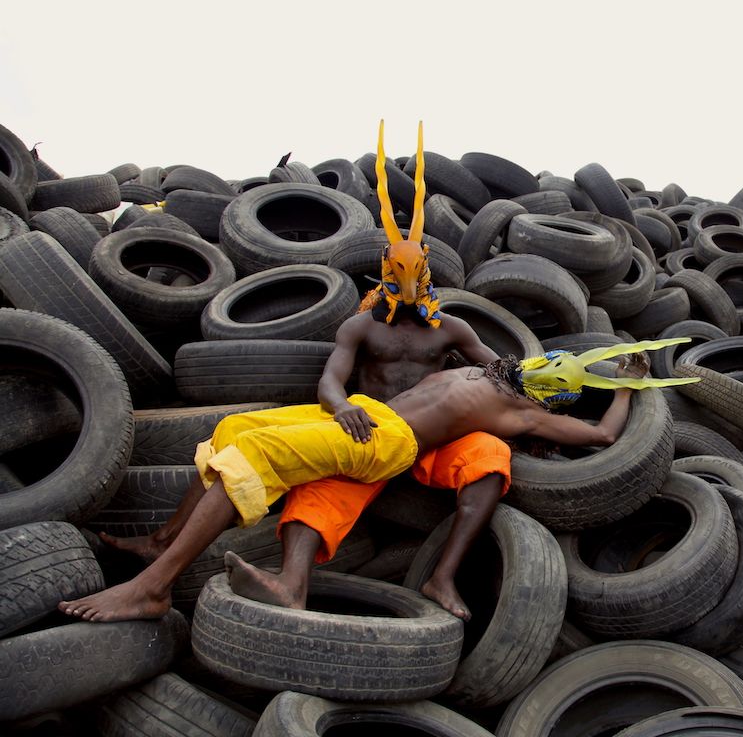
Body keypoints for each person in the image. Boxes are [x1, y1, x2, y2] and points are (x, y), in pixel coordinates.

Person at [97, 120, 508, 621]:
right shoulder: (362, 326)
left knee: (491, 455)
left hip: (429, 438)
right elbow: (332, 378)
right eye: (394, 272)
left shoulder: (451, 328)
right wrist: (338, 407)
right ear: (383, 269)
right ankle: (174, 545)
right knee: (256, 445)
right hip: (367, 425)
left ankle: (442, 576)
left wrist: (562, 393)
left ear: (426, 269)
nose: (403, 281)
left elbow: (503, 372)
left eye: (412, 272)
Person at [59, 338, 697, 622]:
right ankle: (180, 548)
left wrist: (629, 386)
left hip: (385, 442)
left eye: (557, 375)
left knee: (247, 463)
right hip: (369, 417)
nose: (546, 367)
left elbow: (604, 438)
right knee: (233, 431)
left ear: (551, 394)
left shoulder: (518, 410)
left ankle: (151, 589)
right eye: (550, 361)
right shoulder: (486, 369)